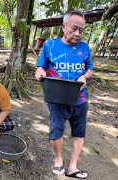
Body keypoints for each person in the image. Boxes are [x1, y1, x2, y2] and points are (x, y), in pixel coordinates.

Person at [35, 10, 93, 179]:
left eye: (81, 30)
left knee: (79, 133)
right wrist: (39, 72)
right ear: (63, 26)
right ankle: (58, 159)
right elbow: (41, 66)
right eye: (74, 28)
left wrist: (85, 76)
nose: (77, 33)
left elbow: (90, 69)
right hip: (57, 98)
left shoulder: (84, 47)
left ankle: (72, 167)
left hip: (80, 99)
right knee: (56, 132)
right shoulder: (50, 45)